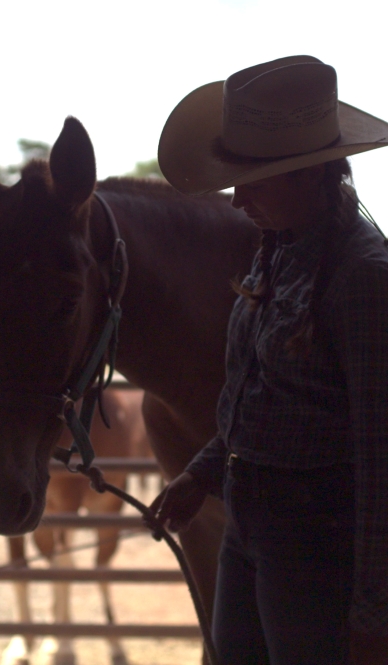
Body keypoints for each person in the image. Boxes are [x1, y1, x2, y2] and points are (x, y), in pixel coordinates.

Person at [151, 55, 388, 664]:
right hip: (249, 528)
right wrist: (202, 473)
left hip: (317, 547)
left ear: (310, 175)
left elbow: (381, 454)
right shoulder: (276, 250)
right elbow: (259, 395)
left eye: (253, 181)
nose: (235, 201)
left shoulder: (364, 278)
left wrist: (374, 607)